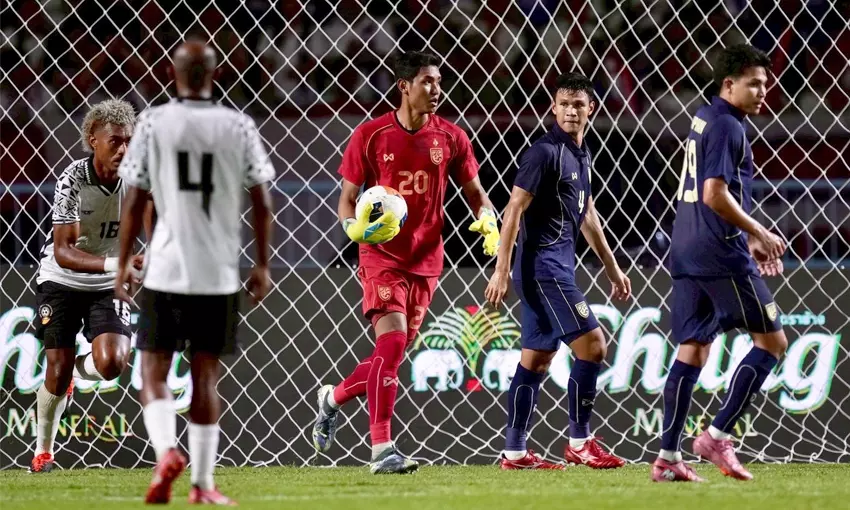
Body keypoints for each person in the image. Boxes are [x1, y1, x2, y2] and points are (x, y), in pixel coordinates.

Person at [312, 50, 500, 474]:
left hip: (427, 258)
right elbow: (346, 200)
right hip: (381, 255)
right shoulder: (371, 134)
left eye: (438, 81)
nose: (436, 89)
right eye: (427, 82)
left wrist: (488, 220)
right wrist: (352, 229)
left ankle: (333, 397)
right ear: (404, 87)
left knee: (390, 356)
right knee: (392, 342)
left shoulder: (451, 137)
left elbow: (477, 194)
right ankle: (382, 450)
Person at [115, 39, 274, 504]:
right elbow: (263, 201)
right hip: (219, 272)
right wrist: (262, 264)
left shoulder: (153, 122)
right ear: (216, 74)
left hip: (166, 268)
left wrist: (125, 259)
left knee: (153, 369)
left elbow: (135, 199)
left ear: (174, 73)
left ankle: (166, 451)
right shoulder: (238, 125)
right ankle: (203, 484)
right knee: (206, 377)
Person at [652, 44, 787, 482]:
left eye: (765, 83)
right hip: (718, 252)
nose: (763, 90)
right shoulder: (729, 125)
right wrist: (759, 231)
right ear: (729, 84)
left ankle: (668, 457)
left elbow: (711, 194)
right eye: (754, 83)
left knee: (693, 348)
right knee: (773, 343)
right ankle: (716, 436)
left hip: (687, 246)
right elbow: (714, 192)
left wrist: (746, 233)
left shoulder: (704, 115)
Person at [485, 72, 630, 470]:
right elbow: (513, 209)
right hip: (544, 269)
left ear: (590, 110)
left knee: (536, 359)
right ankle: (580, 441)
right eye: (563, 104)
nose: (570, 111)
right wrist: (501, 270)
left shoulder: (579, 154)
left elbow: (588, 217)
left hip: (553, 267)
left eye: (578, 104)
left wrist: (613, 269)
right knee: (594, 346)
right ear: (553, 107)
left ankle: (514, 452)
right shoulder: (544, 153)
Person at [30, 99, 142, 473]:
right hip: (61, 280)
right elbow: (63, 252)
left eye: (128, 140)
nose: (123, 149)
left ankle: (78, 373)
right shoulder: (73, 179)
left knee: (112, 364)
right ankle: (43, 451)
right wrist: (119, 264)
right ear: (93, 140)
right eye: (115, 141)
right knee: (55, 374)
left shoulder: (140, 178)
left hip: (108, 282)